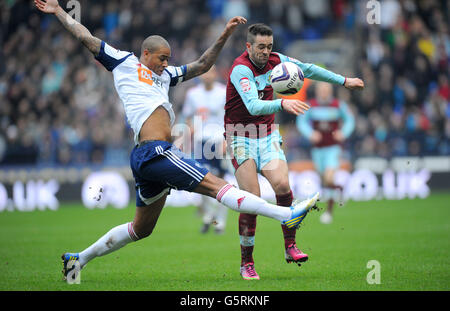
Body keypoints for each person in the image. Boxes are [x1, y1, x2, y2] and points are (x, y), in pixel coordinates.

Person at [34, 0, 320, 281]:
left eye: (169, 59)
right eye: (162, 58)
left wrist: (224, 35)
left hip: (146, 158)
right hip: (156, 151)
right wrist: (59, 10)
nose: (166, 64)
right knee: (218, 186)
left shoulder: (166, 76)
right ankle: (286, 213)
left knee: (140, 229)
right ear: (146, 53)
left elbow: (201, 64)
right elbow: (86, 38)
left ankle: (78, 260)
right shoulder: (124, 63)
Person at [225, 23, 364, 280]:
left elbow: (308, 69)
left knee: (282, 186)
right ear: (248, 46)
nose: (266, 52)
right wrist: (282, 102)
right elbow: (254, 106)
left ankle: (290, 246)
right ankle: (247, 262)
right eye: (261, 47)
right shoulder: (240, 70)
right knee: (252, 198)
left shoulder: (277, 61)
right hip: (240, 135)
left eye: (269, 46)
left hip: (266, 135)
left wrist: (343, 81)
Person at [297, 82, 355, 224]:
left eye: (326, 89)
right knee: (325, 181)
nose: (324, 92)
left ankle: (329, 213)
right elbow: (301, 121)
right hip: (318, 150)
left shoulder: (338, 105)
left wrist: (343, 133)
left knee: (329, 178)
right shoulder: (310, 105)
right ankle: (340, 189)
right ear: (317, 91)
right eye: (321, 89)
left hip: (333, 148)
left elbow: (350, 120)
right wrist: (310, 133)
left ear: (330, 91)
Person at [181, 66, 228, 234]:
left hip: (220, 140)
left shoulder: (223, 92)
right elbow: (187, 118)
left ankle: (220, 221)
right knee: (202, 180)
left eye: (211, 72)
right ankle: (209, 216)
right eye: (204, 73)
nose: (207, 76)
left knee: (222, 182)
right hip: (201, 141)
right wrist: (188, 131)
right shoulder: (193, 94)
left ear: (215, 74)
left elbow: (230, 118)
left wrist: (227, 140)